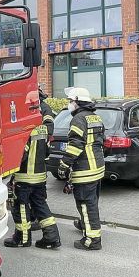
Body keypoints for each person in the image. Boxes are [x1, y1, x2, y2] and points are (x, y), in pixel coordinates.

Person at [4, 86, 61, 249]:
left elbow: (21, 153)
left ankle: (22, 238)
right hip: (40, 175)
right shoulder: (43, 127)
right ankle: (52, 237)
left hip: (25, 176)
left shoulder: (27, 127)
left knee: (20, 206)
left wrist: (9, 170)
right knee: (40, 205)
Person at [58, 86, 105, 250]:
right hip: (97, 167)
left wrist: (64, 165)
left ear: (78, 102)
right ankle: (88, 227)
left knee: (86, 204)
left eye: (71, 101)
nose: (69, 104)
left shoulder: (78, 119)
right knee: (92, 203)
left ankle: (92, 240)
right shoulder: (95, 117)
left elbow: (75, 146)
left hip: (85, 170)